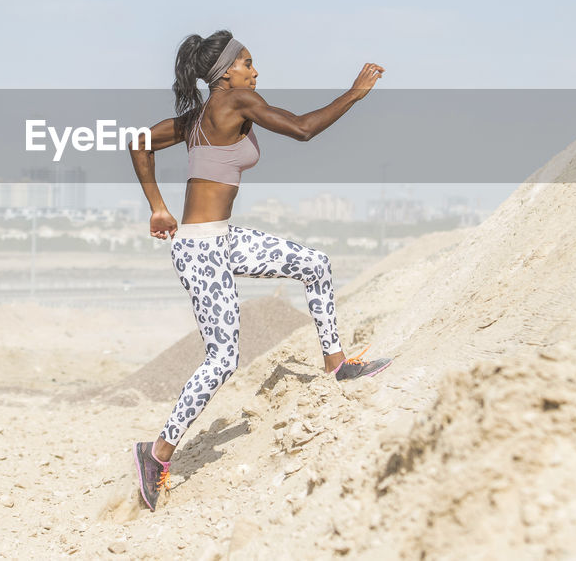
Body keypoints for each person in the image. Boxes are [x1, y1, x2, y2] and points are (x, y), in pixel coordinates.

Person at [129, 29, 392, 512]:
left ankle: (336, 364)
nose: (254, 70)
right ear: (226, 73)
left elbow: (140, 142)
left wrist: (158, 207)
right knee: (223, 357)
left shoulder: (199, 117)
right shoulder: (238, 100)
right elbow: (302, 128)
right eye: (247, 62)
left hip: (223, 239)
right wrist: (354, 94)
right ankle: (157, 452)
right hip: (201, 250)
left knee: (315, 264)